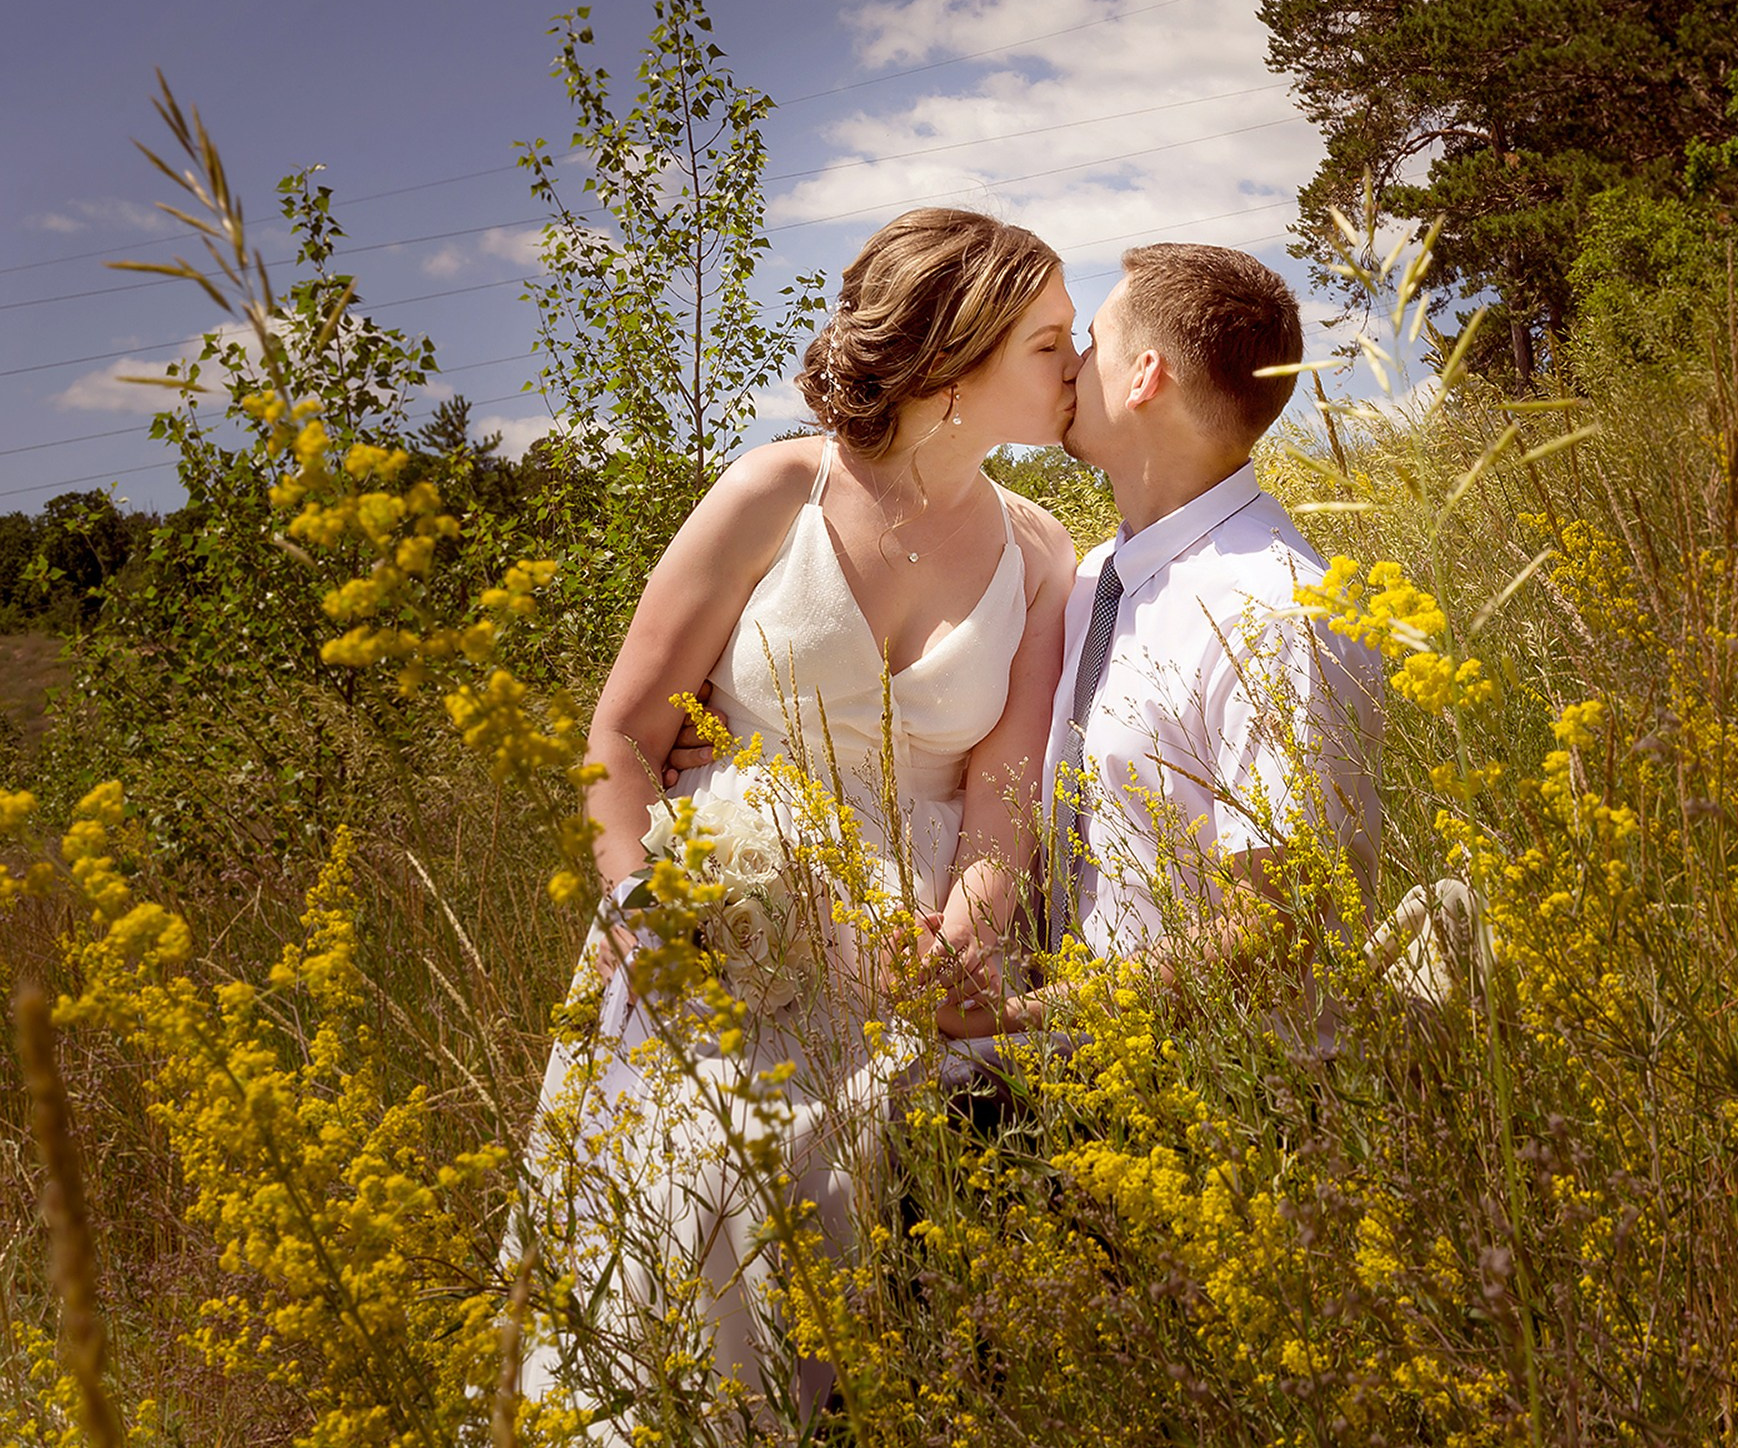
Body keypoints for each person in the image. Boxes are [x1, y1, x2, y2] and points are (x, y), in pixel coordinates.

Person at [516, 207, 1079, 1433]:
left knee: (888, 1306)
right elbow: (619, 737)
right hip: (717, 929)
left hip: (918, 955)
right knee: (693, 1250)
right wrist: (645, 910)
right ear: (955, 355)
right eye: (1048, 342)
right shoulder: (778, 488)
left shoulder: (1041, 552)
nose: (1075, 366)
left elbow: (1003, 798)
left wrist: (965, 942)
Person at [669, 242, 1385, 1042]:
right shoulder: (1090, 580)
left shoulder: (1286, 612)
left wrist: (1025, 1021)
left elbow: (1282, 918)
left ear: (1144, 376)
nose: (1073, 367)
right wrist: (735, 716)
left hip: (1221, 1077)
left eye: (1090, 344)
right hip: (1045, 1066)